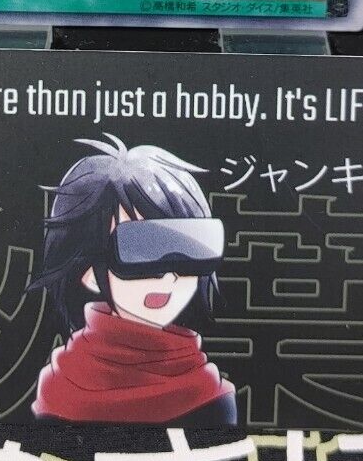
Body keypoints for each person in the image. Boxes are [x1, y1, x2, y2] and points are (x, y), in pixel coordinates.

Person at [29, 136, 237, 425]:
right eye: (140, 247)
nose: (168, 274)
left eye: (188, 247)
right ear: (89, 271)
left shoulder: (209, 392)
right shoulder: (60, 387)